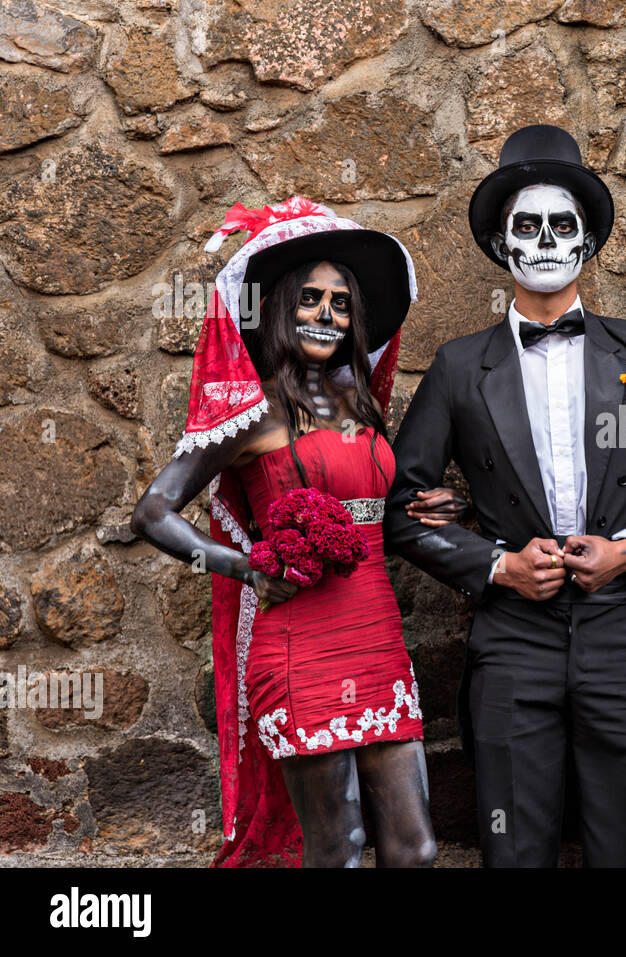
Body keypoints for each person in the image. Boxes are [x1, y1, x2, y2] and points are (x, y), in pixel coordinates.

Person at [384, 125, 626, 867]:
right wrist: (495, 563)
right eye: (526, 226)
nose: (545, 240)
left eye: (563, 226)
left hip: (622, 638)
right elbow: (399, 509)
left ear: (586, 244)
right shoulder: (457, 369)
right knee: (513, 844)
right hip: (512, 639)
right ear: (500, 246)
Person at [133, 197, 450, 867]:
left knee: (417, 848)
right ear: (279, 307)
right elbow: (153, 511)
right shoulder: (254, 416)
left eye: (340, 303)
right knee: (338, 846)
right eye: (310, 298)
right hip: (298, 645)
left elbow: (370, 510)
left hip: (380, 637)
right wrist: (245, 566)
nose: (326, 314)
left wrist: (423, 509)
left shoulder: (360, 403)